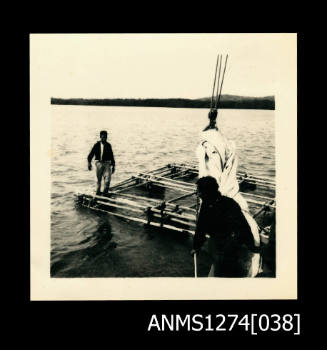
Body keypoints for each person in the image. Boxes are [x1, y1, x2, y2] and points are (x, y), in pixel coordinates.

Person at [191, 176, 261, 277]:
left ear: (207, 192)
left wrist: (251, 246)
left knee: (222, 264)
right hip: (223, 241)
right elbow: (201, 228)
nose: (198, 194)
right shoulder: (214, 204)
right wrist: (196, 246)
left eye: (199, 191)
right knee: (223, 262)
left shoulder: (222, 205)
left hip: (228, 242)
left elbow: (243, 226)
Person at [87, 130, 115, 195]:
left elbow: (111, 156)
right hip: (99, 163)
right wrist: (89, 163)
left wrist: (113, 166)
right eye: (103, 137)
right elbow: (90, 155)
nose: (104, 138)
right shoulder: (96, 145)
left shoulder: (108, 145)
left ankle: (105, 194)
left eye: (105, 137)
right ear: (100, 137)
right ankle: (98, 193)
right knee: (98, 180)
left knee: (107, 180)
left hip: (107, 164)